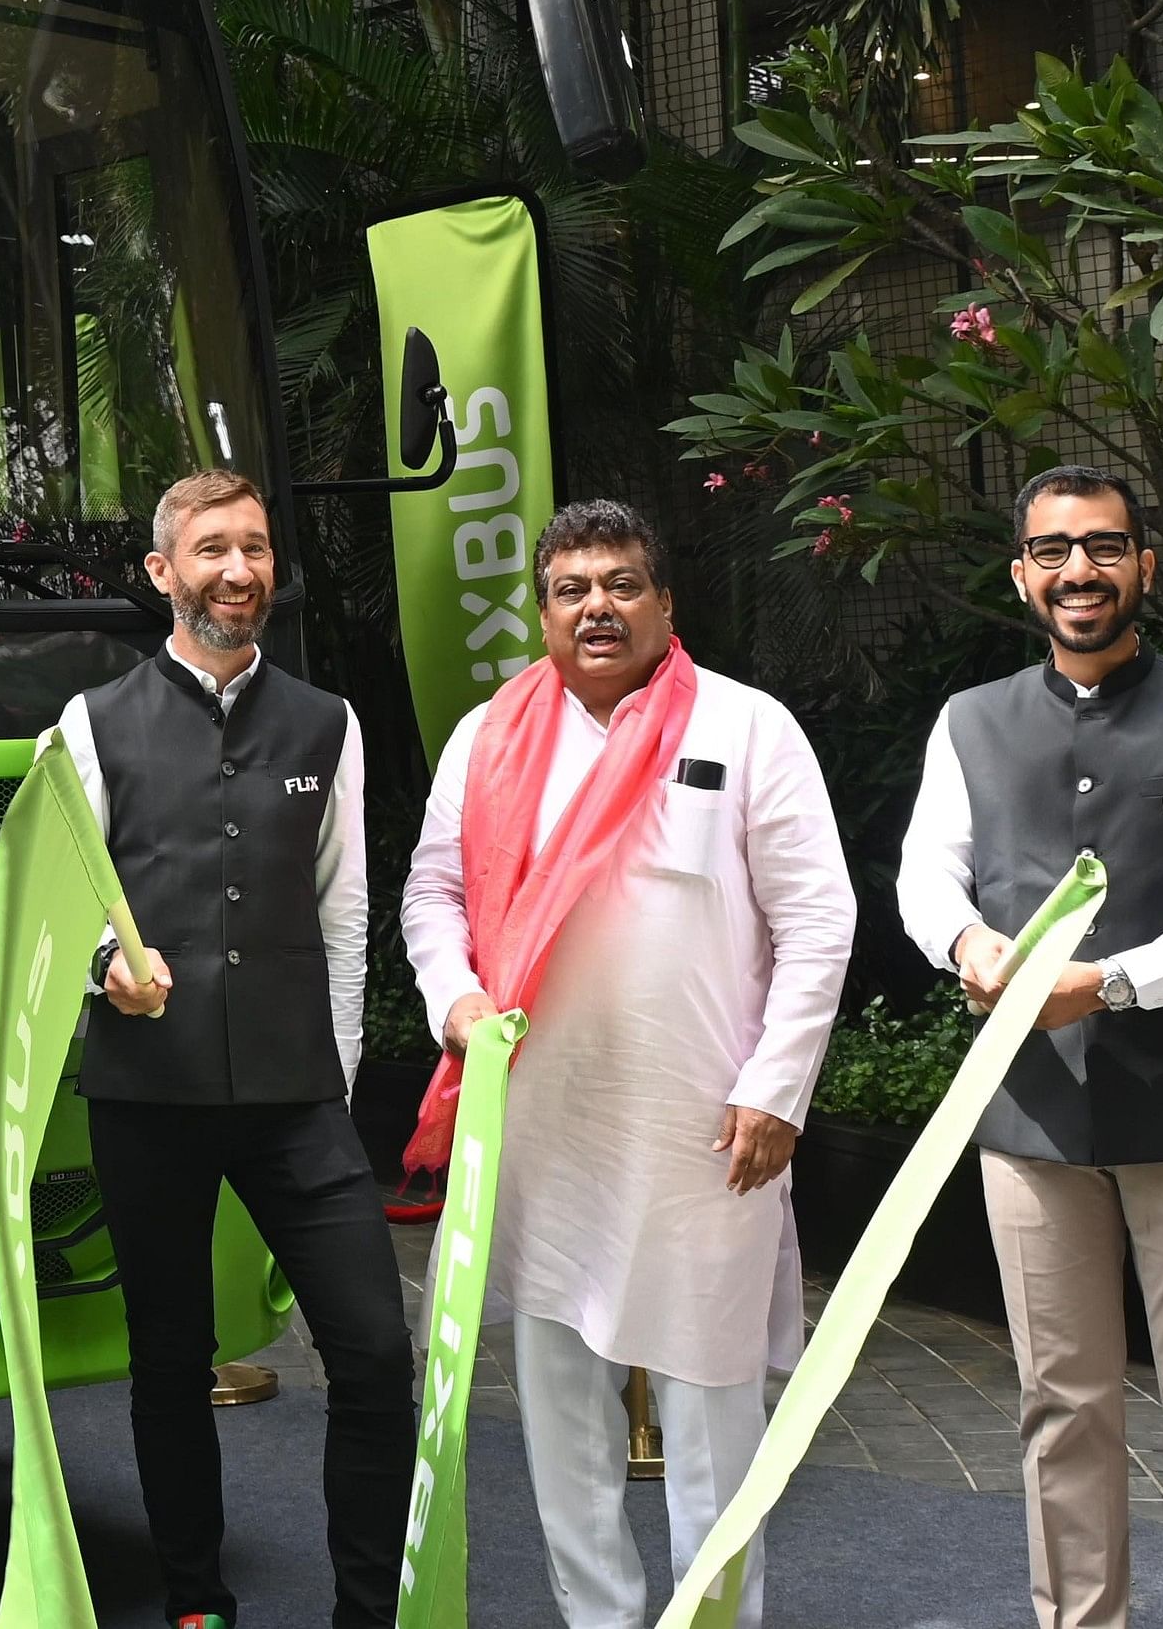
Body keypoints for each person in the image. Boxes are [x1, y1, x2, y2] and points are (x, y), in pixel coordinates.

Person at [400, 499, 854, 1629]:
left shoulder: (747, 728)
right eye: (570, 589)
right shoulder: (489, 737)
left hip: (706, 1129)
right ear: (544, 612)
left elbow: (819, 919)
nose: (595, 606)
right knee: (560, 1414)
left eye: (620, 584)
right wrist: (453, 1001)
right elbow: (433, 892)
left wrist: (774, 1087)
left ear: (664, 604)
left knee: (710, 1408)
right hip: (542, 1126)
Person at [899, 465, 1163, 1629]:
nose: (1078, 570)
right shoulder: (968, 722)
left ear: (1144, 563)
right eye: (1052, 551)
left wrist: (1115, 983)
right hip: (1026, 1119)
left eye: (1102, 547)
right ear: (1022, 573)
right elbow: (926, 872)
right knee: (1059, 1406)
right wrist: (968, 944)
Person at [50, 469, 408, 1629]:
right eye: (212, 550)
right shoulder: (90, 723)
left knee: (369, 1357)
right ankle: (196, 1602)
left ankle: (366, 1611)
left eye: (253, 548)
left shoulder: (325, 722)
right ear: (162, 573)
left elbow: (344, 909)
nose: (238, 571)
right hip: (145, 1095)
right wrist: (107, 964)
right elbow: (65, 913)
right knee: (169, 1362)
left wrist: (341, 1075)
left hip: (298, 1096)